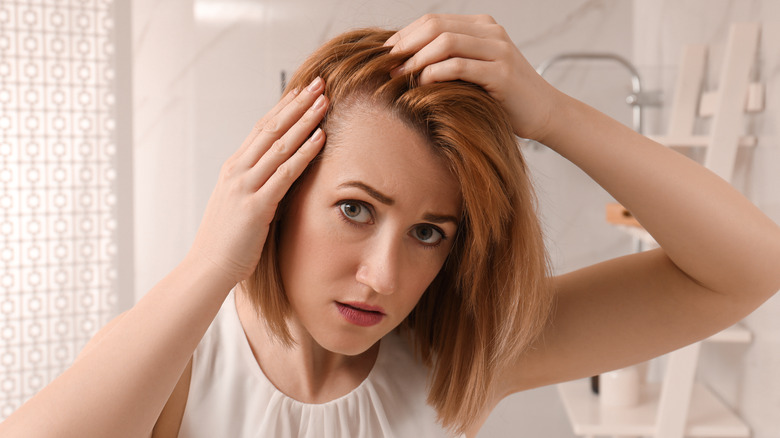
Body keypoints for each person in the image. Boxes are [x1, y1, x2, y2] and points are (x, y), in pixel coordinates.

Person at [2, 14, 779, 438]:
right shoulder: (179, 361)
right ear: (280, 191)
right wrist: (212, 262)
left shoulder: (456, 364)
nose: (384, 275)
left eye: (429, 231)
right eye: (355, 209)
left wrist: (551, 113)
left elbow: (749, 267)